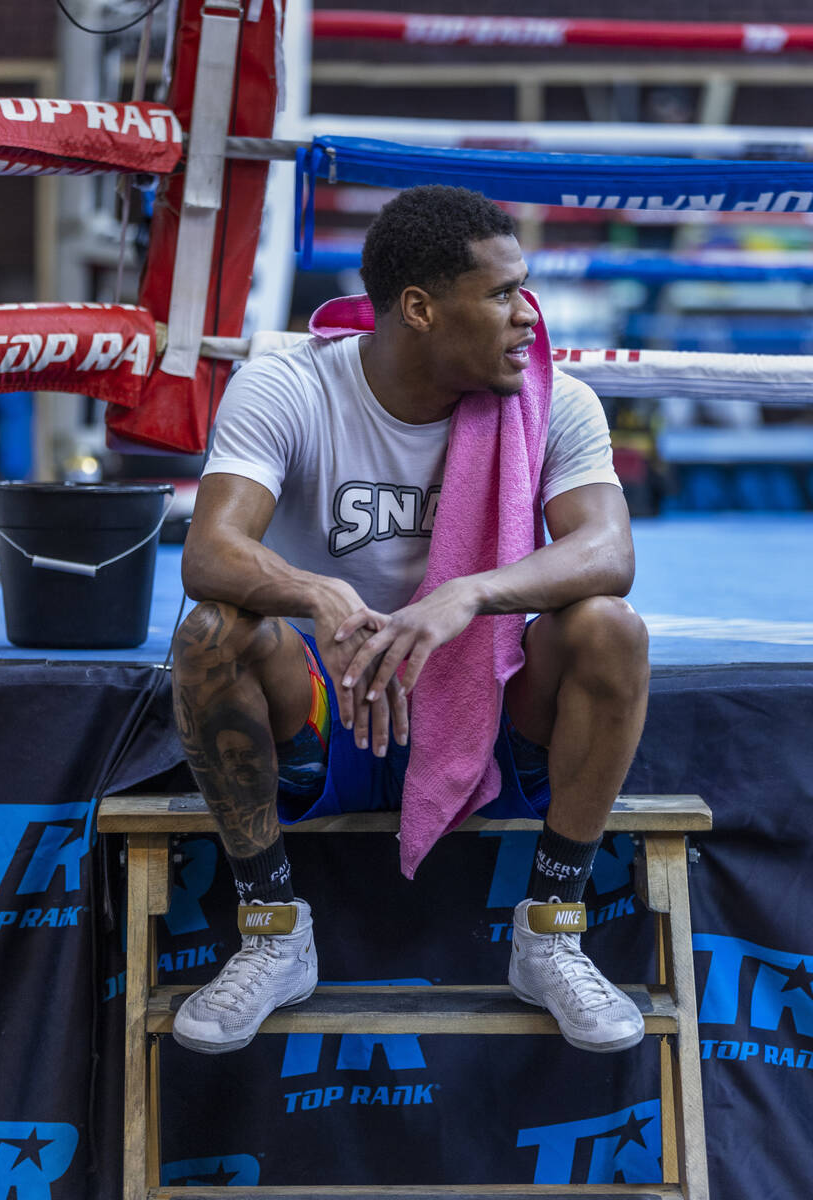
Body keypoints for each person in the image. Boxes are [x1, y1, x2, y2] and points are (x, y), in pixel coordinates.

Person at [170, 184, 650, 1057]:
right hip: (326, 708)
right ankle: (273, 928)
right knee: (211, 630)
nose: (528, 318)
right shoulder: (290, 386)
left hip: (490, 706)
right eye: (502, 294)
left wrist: (468, 593)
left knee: (608, 627)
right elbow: (209, 550)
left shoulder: (556, 401)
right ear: (421, 309)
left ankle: (551, 931)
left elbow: (608, 551)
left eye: (526, 289)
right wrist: (319, 593)